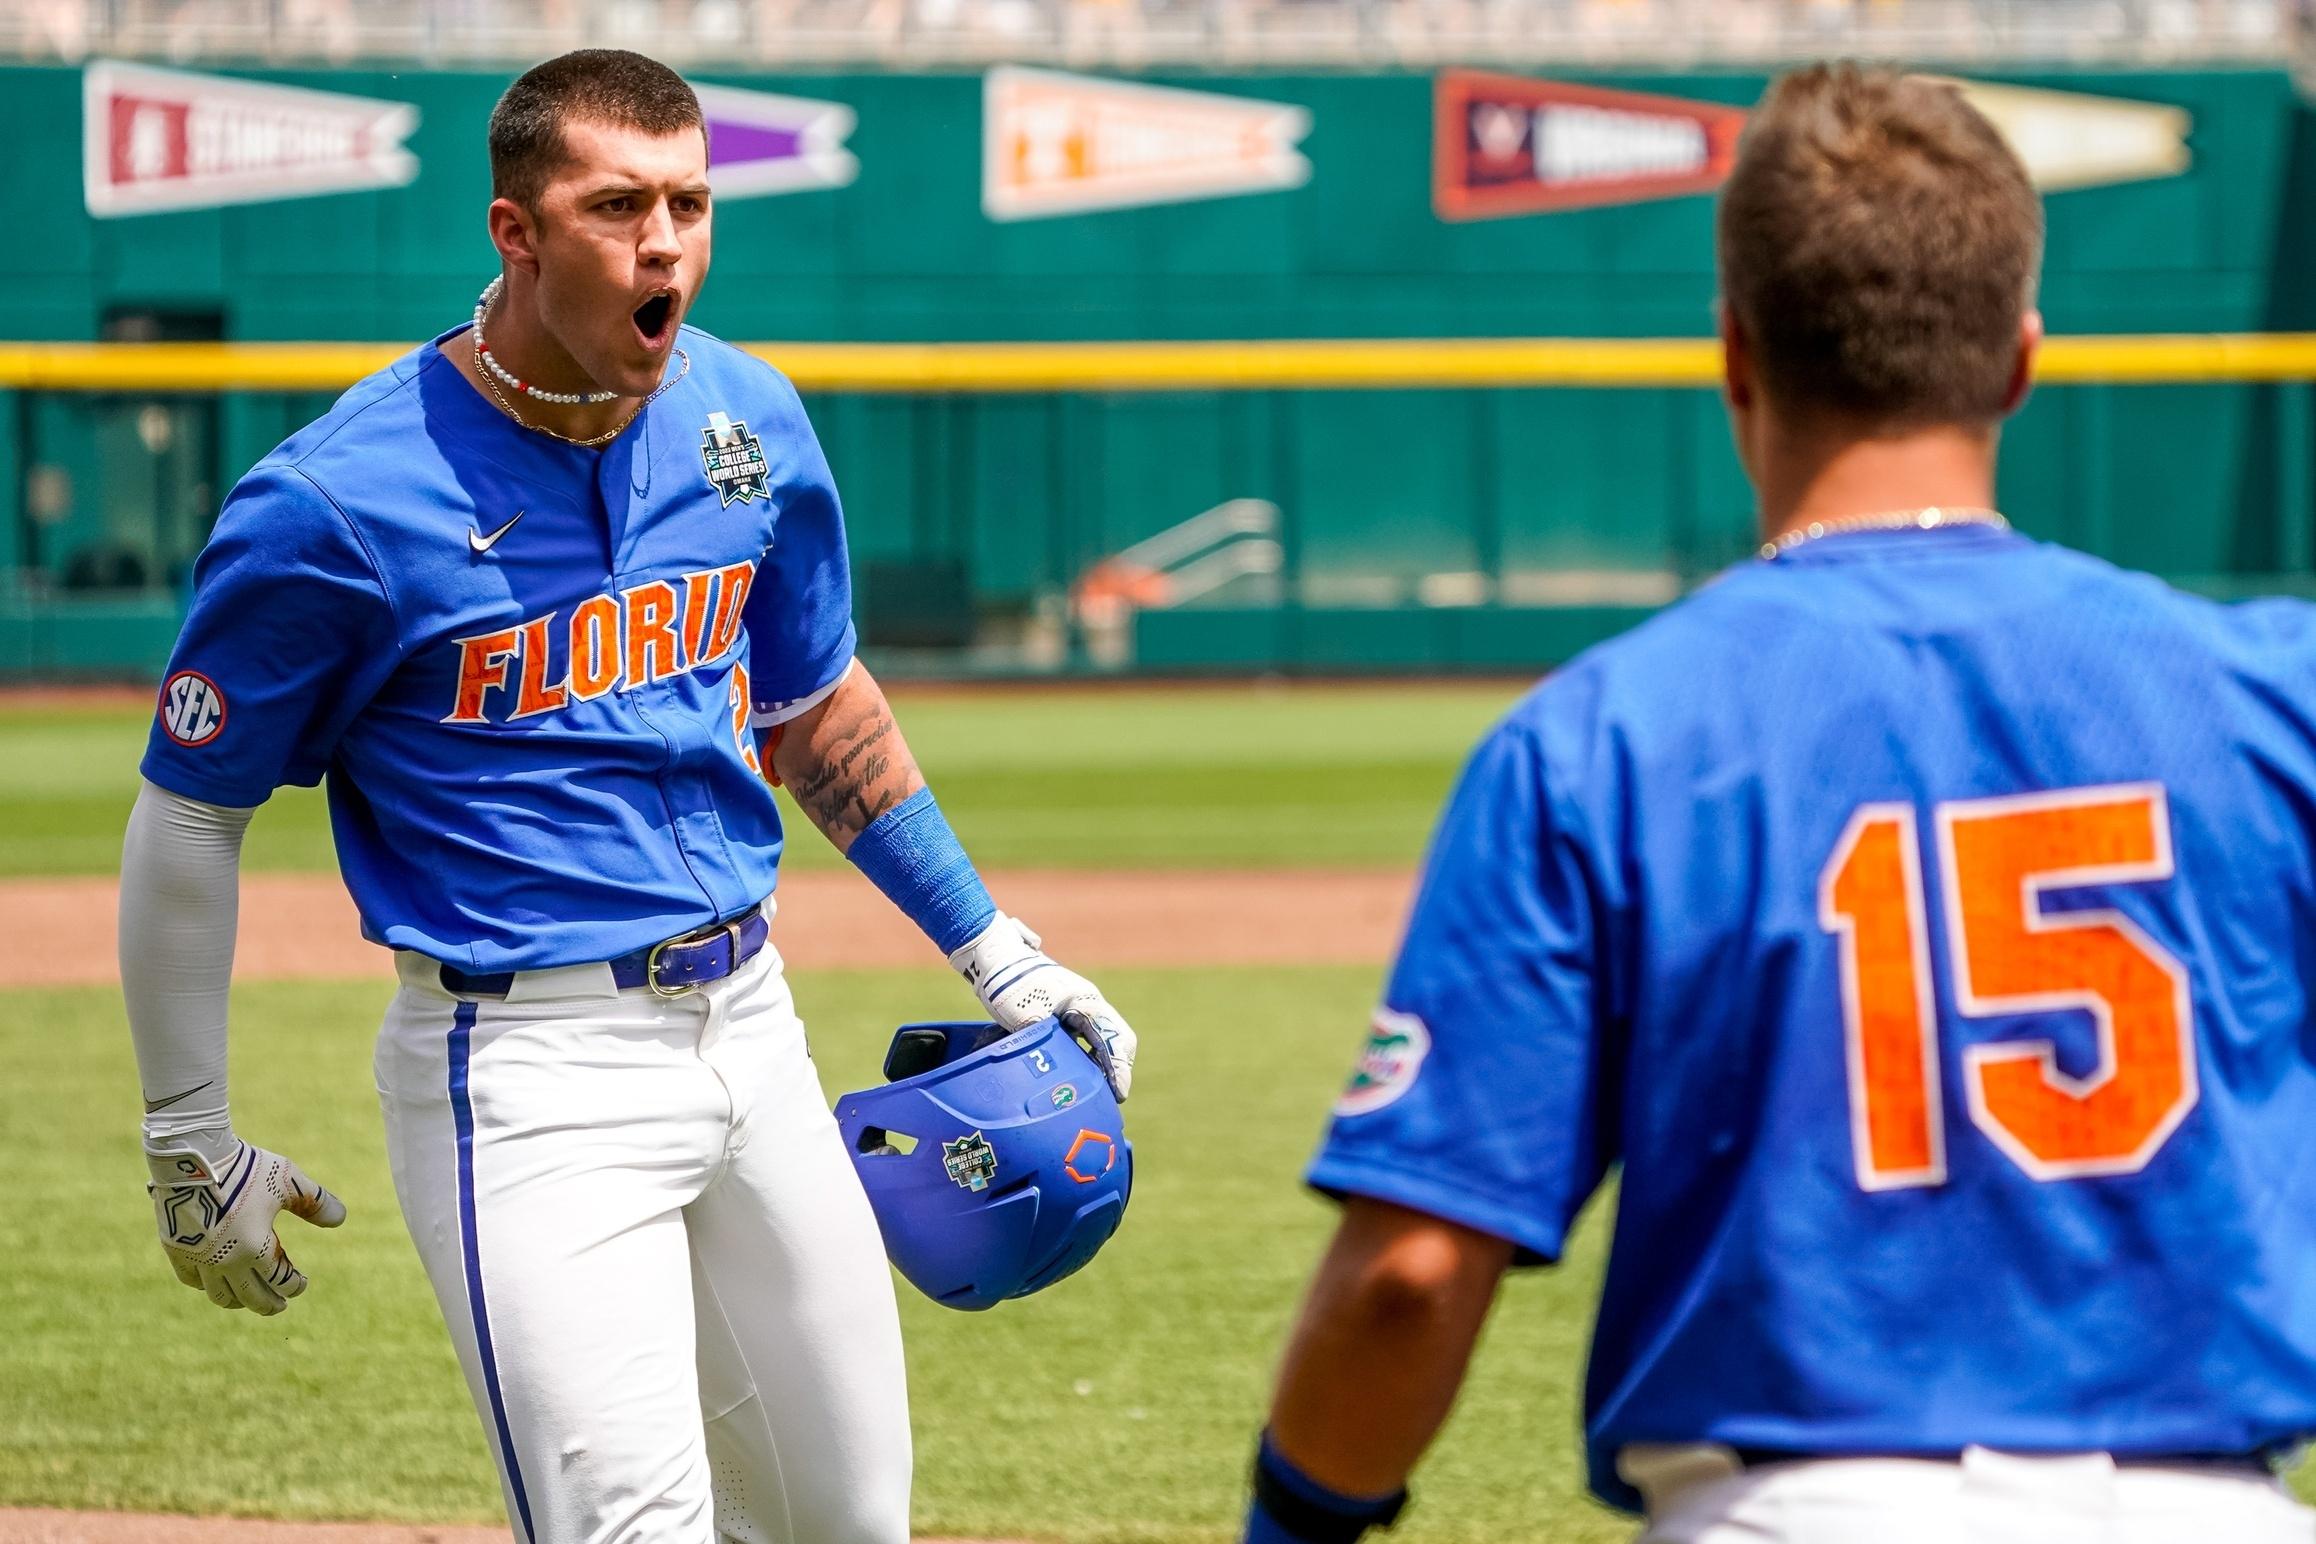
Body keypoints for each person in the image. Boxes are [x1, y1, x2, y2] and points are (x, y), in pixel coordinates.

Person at [1244, 62, 2316, 1544]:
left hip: (1789, 1509)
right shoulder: (2274, 695)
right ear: (2019, 358)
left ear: (1736, 352)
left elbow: (1412, 1278)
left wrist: (1291, 1524)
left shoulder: (1597, 739)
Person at [121, 48, 1137, 1544]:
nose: (666, 242)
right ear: (517, 233)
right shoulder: (337, 504)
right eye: (618, 207)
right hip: (526, 1074)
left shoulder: (748, 422)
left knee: (852, 1525)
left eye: (690, 202)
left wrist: (1000, 950)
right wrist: (186, 1133)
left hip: (755, 1028)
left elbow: (814, 711)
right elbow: (192, 812)